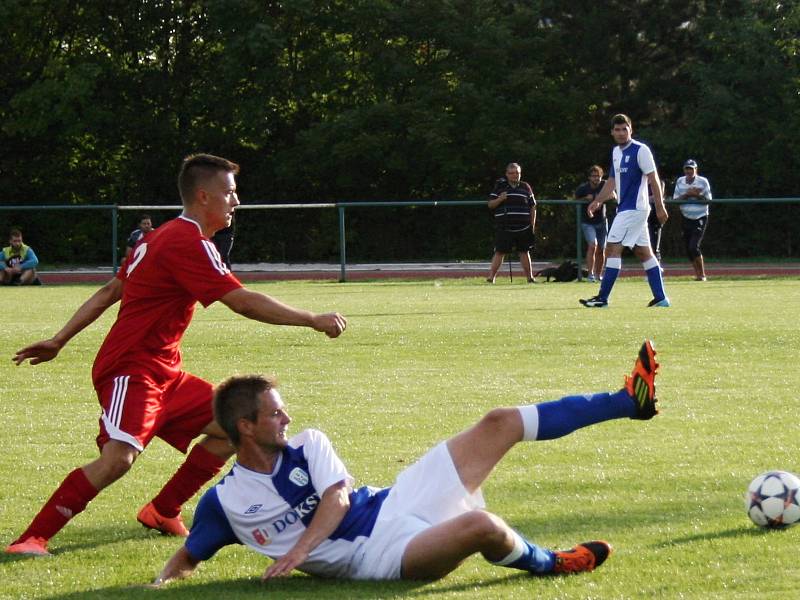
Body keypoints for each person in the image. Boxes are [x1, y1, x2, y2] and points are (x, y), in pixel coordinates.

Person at [5, 153, 348, 557]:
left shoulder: (159, 237)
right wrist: (311, 318)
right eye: (230, 193)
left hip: (165, 371)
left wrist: (60, 339)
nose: (236, 201)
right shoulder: (187, 241)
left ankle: (162, 510)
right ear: (204, 196)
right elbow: (242, 302)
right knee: (119, 458)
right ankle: (32, 538)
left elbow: (108, 293)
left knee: (234, 429)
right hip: (131, 369)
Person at [151, 340, 660, 586]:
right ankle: (551, 562)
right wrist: (158, 585)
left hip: (398, 499)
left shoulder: (309, 442)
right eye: (276, 414)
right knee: (481, 526)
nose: (288, 419)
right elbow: (189, 557)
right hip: (378, 557)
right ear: (246, 426)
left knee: (500, 421)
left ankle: (625, 401)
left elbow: (337, 496)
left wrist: (297, 552)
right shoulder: (226, 501)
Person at [579, 114, 669, 308]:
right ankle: (661, 298)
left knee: (611, 248)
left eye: (624, 129)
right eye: (617, 129)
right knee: (645, 253)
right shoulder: (616, 152)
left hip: (634, 209)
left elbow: (654, 179)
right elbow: (611, 181)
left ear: (631, 129)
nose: (620, 133)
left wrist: (660, 207)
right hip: (627, 209)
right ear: (612, 132)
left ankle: (602, 298)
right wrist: (598, 201)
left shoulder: (641, 150)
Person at [486, 163, 537, 284]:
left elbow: (533, 206)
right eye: (512, 173)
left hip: (524, 227)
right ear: (507, 174)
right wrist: (500, 199)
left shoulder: (525, 187)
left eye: (517, 173)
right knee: (500, 252)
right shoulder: (500, 187)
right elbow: (490, 204)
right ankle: (491, 278)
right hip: (505, 227)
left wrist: (532, 224)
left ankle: (530, 278)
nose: (515, 175)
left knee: (524, 251)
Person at [673, 159, 712, 281]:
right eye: (687, 169)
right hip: (686, 217)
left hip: (700, 216)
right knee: (688, 248)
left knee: (693, 246)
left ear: (696, 170)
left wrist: (697, 195)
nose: (689, 171)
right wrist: (687, 195)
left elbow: (708, 200)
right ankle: (697, 274)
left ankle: (702, 274)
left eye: (691, 169)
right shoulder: (680, 181)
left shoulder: (703, 181)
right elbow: (676, 200)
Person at [574, 166, 611, 282]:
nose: (596, 178)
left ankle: (599, 275)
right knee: (592, 245)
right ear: (589, 177)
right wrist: (586, 198)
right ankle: (590, 275)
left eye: (598, 176)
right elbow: (574, 200)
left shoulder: (605, 185)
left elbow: (613, 195)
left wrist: (596, 199)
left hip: (602, 221)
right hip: (587, 222)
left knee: (602, 248)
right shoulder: (583, 188)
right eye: (594, 176)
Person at [647, 180, 667, 264]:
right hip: (643, 215)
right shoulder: (640, 182)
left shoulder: (659, 183)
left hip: (655, 216)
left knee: (654, 243)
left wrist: (644, 198)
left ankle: (656, 266)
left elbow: (658, 197)